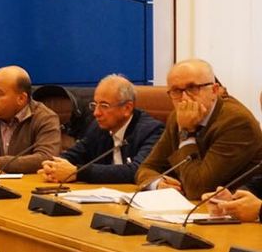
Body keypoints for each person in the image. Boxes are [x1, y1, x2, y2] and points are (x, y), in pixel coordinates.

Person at [135, 59, 262, 199]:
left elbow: (197, 189)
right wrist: (157, 183)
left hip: (230, 207)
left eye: (192, 88)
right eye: (176, 91)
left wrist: (186, 133)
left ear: (214, 90)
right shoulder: (177, 117)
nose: (184, 98)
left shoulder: (237, 123)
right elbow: (146, 168)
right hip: (191, 207)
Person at [39, 74, 163, 183]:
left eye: (104, 106)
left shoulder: (152, 131)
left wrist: (78, 173)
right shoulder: (98, 127)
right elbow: (75, 153)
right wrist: (55, 166)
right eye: (95, 104)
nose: (96, 113)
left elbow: (138, 170)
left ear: (127, 108)